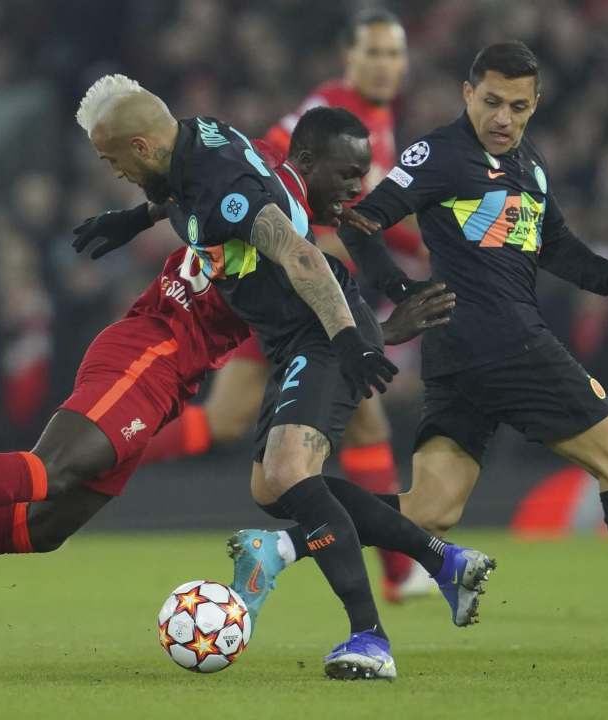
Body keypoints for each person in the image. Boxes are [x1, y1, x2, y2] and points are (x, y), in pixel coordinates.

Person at [0, 102, 475, 682]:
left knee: (47, 527)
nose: (357, 191)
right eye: (348, 177)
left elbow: (191, 187)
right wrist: (372, 339)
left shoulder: (239, 159)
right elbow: (302, 263)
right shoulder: (264, 199)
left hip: (173, 372)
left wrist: (136, 217)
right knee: (52, 470)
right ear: (310, 161)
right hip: (153, 346)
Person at [312, 41, 608, 669]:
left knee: (431, 510)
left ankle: (284, 538)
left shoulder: (529, 164)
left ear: (535, 106)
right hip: (505, 339)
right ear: (467, 94)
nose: (504, 117)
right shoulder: (441, 153)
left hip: (463, 351)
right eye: (493, 102)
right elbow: (359, 222)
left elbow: (560, 251)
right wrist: (403, 290)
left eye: (519, 106)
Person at [138, 8, 429, 602]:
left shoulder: (376, 117)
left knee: (236, 420)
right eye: (373, 53)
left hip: (295, 292)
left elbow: (357, 214)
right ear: (348, 58)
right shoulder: (326, 112)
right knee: (354, 413)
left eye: (394, 54)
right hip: (290, 289)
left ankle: (121, 449)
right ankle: (402, 571)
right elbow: (272, 175)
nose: (385, 65)